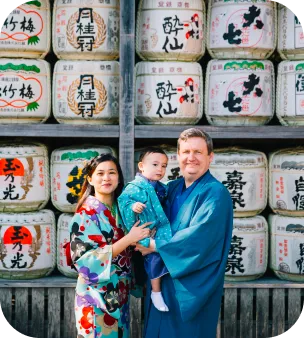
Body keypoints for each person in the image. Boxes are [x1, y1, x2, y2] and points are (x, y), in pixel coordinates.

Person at [135, 128, 234, 338]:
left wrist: (152, 245)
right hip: (160, 283)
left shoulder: (216, 194)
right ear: (178, 156)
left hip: (190, 289)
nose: (191, 158)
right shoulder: (170, 188)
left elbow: (199, 240)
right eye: (186, 152)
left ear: (210, 157)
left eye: (198, 152)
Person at [66, 154, 151, 338]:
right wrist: (128, 239)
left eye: (112, 172)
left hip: (120, 292)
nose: (106, 178)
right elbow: (84, 261)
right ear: (90, 178)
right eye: (100, 173)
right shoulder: (85, 215)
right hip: (95, 295)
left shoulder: (124, 209)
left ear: (119, 177)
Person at [118, 147, 172, 312]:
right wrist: (133, 207)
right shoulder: (134, 187)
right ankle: (156, 291)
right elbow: (123, 202)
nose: (160, 169)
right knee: (154, 257)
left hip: (160, 227)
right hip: (143, 230)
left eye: (164, 166)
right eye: (155, 164)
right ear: (141, 166)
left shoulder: (162, 187)